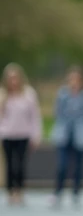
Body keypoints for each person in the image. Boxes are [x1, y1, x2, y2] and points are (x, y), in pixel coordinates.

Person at [49, 66, 83, 208]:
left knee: (79, 166)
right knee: (62, 165)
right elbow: (58, 112)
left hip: (80, 133)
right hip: (65, 132)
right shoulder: (63, 94)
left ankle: (76, 192)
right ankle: (58, 191)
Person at [0, 63, 42, 206]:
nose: (13, 81)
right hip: (7, 134)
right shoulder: (3, 95)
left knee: (20, 164)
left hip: (23, 134)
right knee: (9, 164)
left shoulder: (28, 94)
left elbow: (35, 116)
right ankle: (11, 190)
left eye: (15, 78)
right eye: (10, 78)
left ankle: (20, 189)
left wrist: (36, 134)